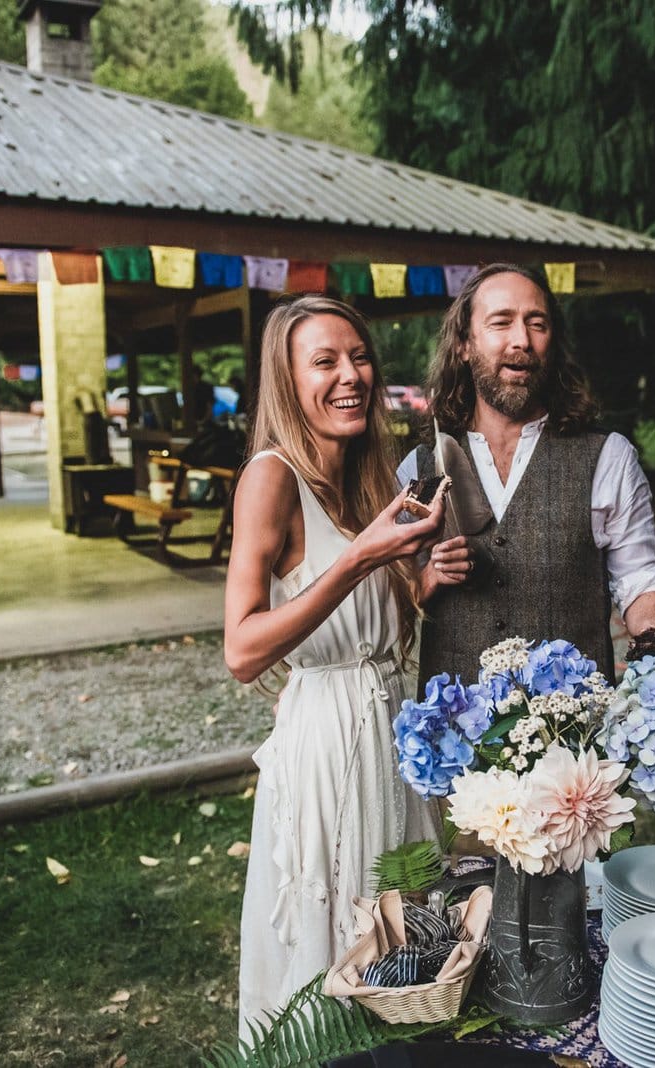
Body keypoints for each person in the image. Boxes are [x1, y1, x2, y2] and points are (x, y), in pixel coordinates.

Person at [225, 295, 458, 1039]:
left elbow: (365, 627)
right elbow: (242, 649)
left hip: (391, 731)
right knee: (335, 941)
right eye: (324, 361)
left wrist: (419, 582)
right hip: (325, 741)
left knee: (400, 934)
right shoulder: (272, 478)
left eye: (358, 357)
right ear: (288, 381)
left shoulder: (367, 476)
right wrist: (360, 560)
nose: (349, 375)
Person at [400, 263, 655, 689]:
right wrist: (427, 578)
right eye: (501, 323)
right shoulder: (420, 469)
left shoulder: (607, 457)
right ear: (463, 344)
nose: (522, 341)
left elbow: (639, 575)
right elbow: (388, 603)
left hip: (574, 739)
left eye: (537, 324)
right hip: (452, 740)